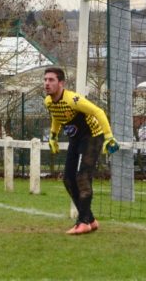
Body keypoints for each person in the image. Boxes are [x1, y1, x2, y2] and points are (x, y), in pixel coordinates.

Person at [43, 66, 117, 235]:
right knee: (68, 179)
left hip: (92, 137)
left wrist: (109, 137)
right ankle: (90, 220)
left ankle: (83, 222)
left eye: (51, 80)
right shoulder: (48, 101)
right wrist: (53, 136)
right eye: (45, 80)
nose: (47, 83)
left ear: (61, 83)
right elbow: (56, 116)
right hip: (76, 140)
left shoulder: (73, 100)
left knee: (82, 177)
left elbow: (98, 112)